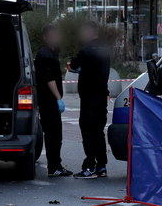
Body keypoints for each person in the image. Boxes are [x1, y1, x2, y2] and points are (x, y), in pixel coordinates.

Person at [69, 21, 111, 179]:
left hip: (88, 96)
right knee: (99, 131)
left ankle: (90, 166)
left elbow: (73, 66)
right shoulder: (105, 49)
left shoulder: (85, 50)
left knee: (87, 130)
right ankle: (102, 166)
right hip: (101, 95)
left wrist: (81, 68)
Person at [34, 24, 72, 177]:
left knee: (54, 134)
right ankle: (54, 166)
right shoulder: (45, 54)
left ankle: (56, 164)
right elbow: (49, 78)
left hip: (49, 99)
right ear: (45, 37)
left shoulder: (51, 52)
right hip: (48, 100)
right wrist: (58, 98)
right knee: (53, 134)